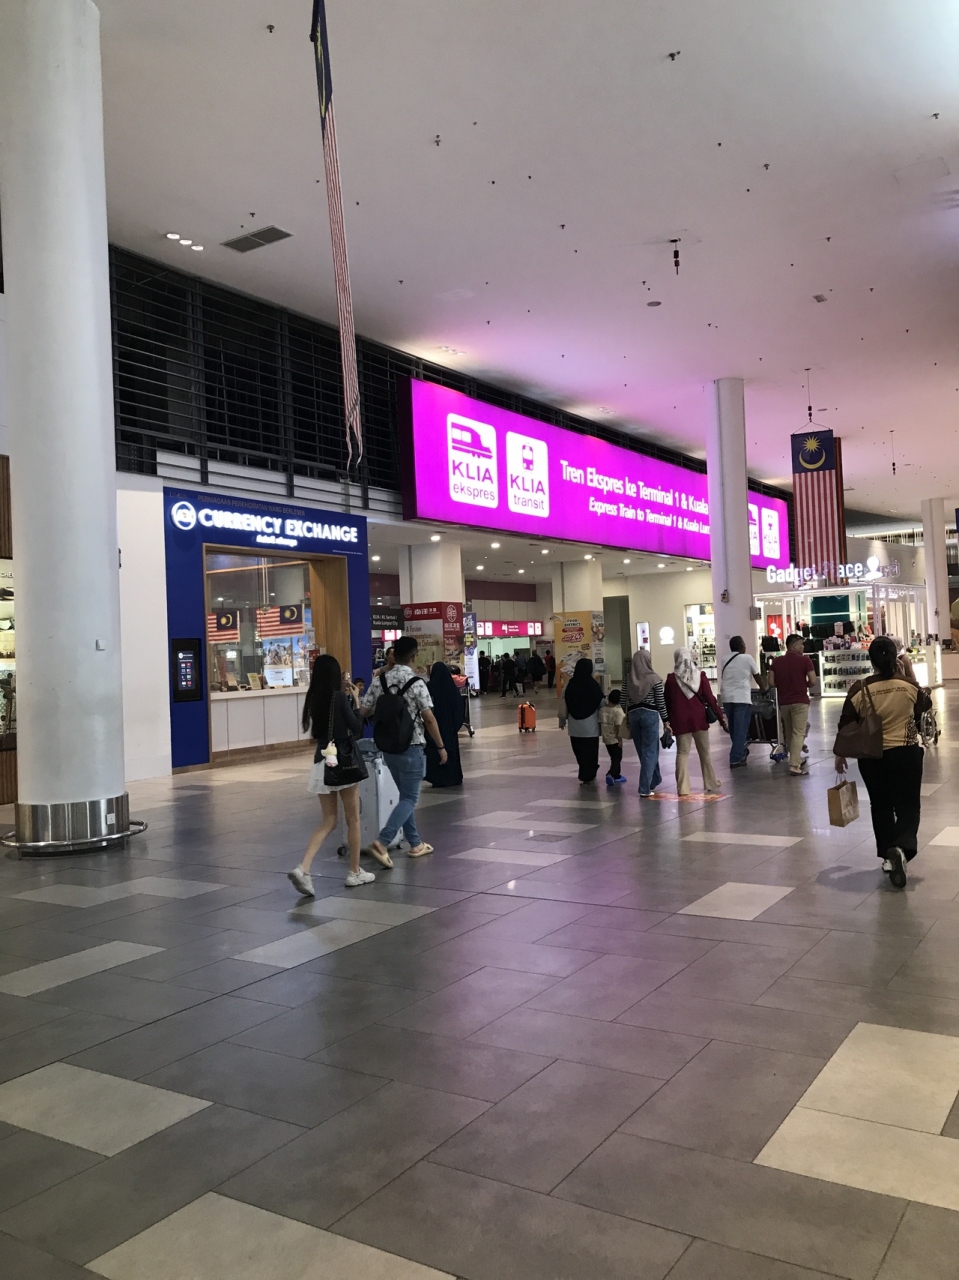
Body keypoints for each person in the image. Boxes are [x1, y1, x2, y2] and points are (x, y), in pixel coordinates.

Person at [835, 636, 932, 888]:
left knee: (880, 806)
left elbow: (846, 724)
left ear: (872, 661)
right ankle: (902, 847)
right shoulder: (907, 685)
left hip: (872, 757)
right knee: (908, 806)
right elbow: (925, 704)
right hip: (906, 753)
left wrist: (839, 755)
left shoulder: (859, 689)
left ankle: (889, 855)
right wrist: (906, 675)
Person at [289, 655, 373, 895]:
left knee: (328, 820)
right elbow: (356, 729)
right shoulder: (339, 698)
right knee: (353, 819)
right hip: (343, 763)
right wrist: (356, 699)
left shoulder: (313, 698)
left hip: (321, 761)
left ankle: (303, 868)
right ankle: (354, 871)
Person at [361, 635, 448, 864]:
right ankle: (382, 842)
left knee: (404, 797)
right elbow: (429, 718)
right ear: (413, 656)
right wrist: (441, 746)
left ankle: (416, 844)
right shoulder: (417, 682)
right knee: (410, 798)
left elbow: (364, 710)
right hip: (412, 746)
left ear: (394, 655)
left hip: (388, 748)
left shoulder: (379, 681)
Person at [664, 647, 726, 797]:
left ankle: (683, 788)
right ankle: (710, 783)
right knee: (704, 752)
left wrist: (667, 721)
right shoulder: (700, 676)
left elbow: (667, 702)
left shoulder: (671, 679)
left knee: (682, 753)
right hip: (699, 719)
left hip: (680, 720)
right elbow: (710, 699)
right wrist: (720, 717)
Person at [768, 634, 817, 776]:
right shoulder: (805, 660)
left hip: (784, 702)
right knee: (798, 732)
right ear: (794, 645)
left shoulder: (776, 662)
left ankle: (797, 758)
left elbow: (771, 682)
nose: (803, 647)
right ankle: (794, 765)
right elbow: (813, 680)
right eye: (802, 644)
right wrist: (805, 684)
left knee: (789, 732)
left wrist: (783, 685)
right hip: (800, 700)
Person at [626, 649, 671, 797]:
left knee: (643, 751)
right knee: (650, 751)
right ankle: (644, 788)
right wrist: (666, 720)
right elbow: (661, 703)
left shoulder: (628, 679)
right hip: (649, 715)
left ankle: (654, 779)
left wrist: (628, 715)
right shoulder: (655, 679)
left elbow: (622, 700)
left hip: (633, 716)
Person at [558, 657, 605, 782]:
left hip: (574, 726)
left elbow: (564, 701)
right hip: (590, 727)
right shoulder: (593, 685)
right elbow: (601, 702)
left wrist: (562, 720)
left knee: (578, 751)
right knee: (590, 752)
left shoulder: (570, 684)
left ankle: (585, 771)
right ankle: (589, 773)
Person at [720, 636, 764, 769]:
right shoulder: (747, 658)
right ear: (742, 646)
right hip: (741, 698)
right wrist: (763, 688)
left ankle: (741, 751)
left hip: (726, 697)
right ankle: (735, 758)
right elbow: (757, 675)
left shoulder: (724, 659)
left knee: (734, 728)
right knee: (741, 729)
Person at [425, 661, 465, 787]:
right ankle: (453, 777)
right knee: (451, 752)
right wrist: (453, 727)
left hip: (434, 728)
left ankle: (438, 778)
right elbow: (459, 709)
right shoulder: (452, 688)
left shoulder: (429, 688)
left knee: (436, 751)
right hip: (449, 729)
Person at [599, 689, 628, 786]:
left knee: (614, 757)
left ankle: (617, 775)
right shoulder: (617, 711)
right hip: (614, 739)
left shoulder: (602, 710)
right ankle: (611, 774)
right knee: (617, 757)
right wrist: (620, 740)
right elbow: (618, 726)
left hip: (606, 738)